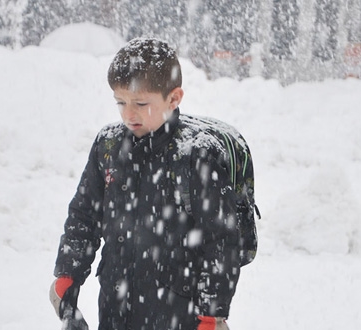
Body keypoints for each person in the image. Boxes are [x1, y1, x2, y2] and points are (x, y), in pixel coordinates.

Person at [49, 38, 245, 330]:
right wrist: (69, 272)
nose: (129, 114)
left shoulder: (195, 154)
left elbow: (222, 240)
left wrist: (211, 313)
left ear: (173, 98)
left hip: (178, 308)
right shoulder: (109, 145)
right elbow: (84, 216)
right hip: (116, 301)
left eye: (141, 103)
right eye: (121, 102)